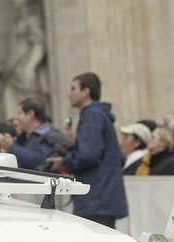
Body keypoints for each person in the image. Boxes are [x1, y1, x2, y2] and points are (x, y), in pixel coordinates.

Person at [49, 72, 128, 228]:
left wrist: (65, 160)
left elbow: (89, 155)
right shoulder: (100, 115)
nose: (69, 94)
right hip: (103, 195)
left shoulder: (91, 115)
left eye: (73, 88)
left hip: (95, 196)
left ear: (86, 92)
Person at [0, 97, 65, 171]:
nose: (17, 118)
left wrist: (11, 147)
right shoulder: (24, 136)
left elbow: (40, 161)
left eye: (20, 113)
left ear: (31, 114)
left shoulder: (51, 136)